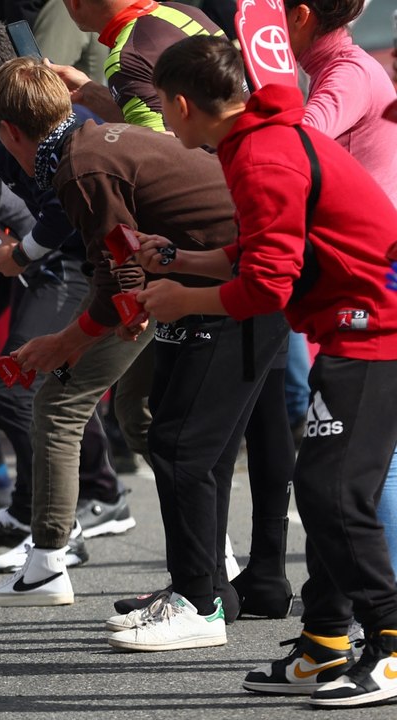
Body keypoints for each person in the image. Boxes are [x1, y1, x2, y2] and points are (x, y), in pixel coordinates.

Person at [146, 34, 397, 705]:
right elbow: (262, 249)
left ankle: (391, 642)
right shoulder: (256, 139)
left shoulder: (261, 153)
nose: (162, 118)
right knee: (322, 488)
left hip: (375, 325)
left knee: (334, 491)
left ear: (181, 104)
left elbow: (267, 287)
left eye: (161, 106)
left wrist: (181, 299)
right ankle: (326, 642)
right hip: (357, 323)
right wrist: (181, 261)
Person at [0, 57, 242, 619]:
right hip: (210, 263)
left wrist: (60, 344)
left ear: (8, 132)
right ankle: (212, 559)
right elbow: (122, 271)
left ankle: (48, 563)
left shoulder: (80, 165)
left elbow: (119, 282)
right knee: (139, 411)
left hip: (226, 270)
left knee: (58, 402)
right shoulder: (87, 140)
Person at [0, 16, 132, 577]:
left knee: (26, 390)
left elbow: (64, 202)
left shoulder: (26, 126)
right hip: (95, 256)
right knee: (70, 397)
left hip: (103, 261)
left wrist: (24, 254)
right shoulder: (3, 106)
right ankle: (48, 512)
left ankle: (59, 532)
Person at [284, 0, 397, 592]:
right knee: (365, 465)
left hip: (370, 286)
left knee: (355, 472)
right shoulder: (337, 66)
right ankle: (342, 615)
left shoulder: (347, 71)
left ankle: (378, 611)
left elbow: (294, 151)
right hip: (366, 277)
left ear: (301, 15)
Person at [52, 0, 224, 131]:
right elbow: (157, 117)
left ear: (75, 3)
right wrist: (87, 92)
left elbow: (160, 152)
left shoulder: (127, 57)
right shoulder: (185, 12)